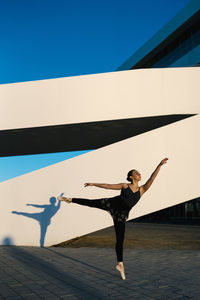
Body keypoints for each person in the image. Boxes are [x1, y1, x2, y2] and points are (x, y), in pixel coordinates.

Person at [57, 158, 168, 280]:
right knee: (92, 203)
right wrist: (94, 184)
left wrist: (159, 165)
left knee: (120, 239)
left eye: (139, 173)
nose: (139, 174)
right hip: (112, 203)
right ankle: (70, 200)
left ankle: (120, 264)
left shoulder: (142, 190)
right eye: (136, 173)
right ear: (131, 177)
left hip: (121, 215)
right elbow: (108, 186)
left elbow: (152, 178)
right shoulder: (125, 186)